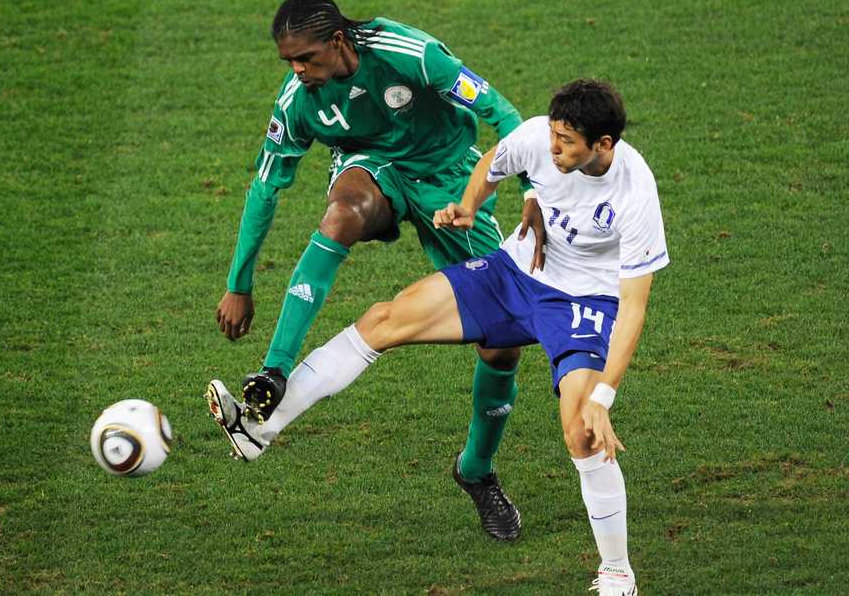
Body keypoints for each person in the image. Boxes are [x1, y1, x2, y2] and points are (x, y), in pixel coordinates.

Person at [209, 78, 667, 594]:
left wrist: (604, 395)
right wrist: (472, 207)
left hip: (583, 303)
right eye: (553, 134)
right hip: (511, 275)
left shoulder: (635, 190)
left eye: (566, 141)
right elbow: (494, 161)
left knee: (583, 430)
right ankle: (258, 430)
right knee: (384, 319)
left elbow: (633, 307)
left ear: (603, 145)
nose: (553, 146)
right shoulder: (539, 138)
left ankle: (617, 574)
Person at [212, 0, 544, 541]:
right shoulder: (299, 99)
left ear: (338, 42)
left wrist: (532, 190)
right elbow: (265, 187)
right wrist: (238, 284)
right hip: (374, 170)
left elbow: (503, 113)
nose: (297, 71)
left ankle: (477, 472)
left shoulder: (413, 53)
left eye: (306, 59)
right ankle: (274, 370)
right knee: (342, 213)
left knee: (502, 344)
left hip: (450, 177)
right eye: (288, 62)